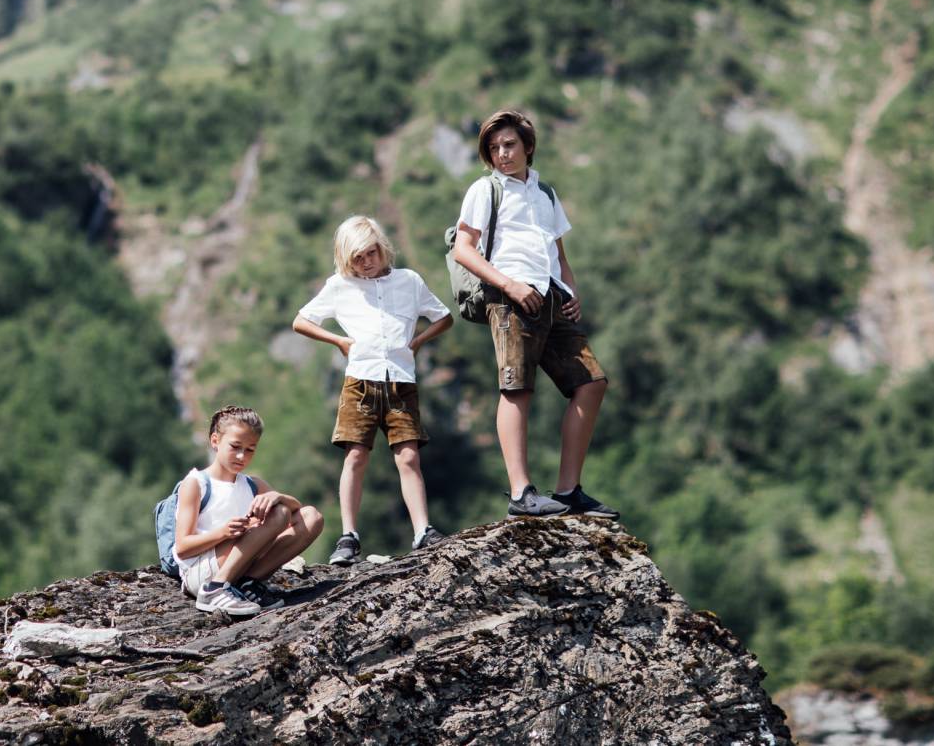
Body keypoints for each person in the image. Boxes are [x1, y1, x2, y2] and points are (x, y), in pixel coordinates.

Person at [449, 108, 619, 520]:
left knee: (592, 383)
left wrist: (571, 291)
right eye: (494, 148)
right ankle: (521, 493)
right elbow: (463, 249)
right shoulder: (484, 190)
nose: (502, 154)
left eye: (509, 145)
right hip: (509, 297)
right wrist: (509, 285)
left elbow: (559, 254)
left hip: (551, 297)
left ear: (528, 146)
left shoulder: (545, 194)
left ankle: (568, 490)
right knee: (516, 388)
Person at [292, 215, 454, 565]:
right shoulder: (340, 286)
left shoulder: (409, 281)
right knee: (355, 455)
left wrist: (418, 342)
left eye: (371, 253)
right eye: (357, 258)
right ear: (346, 259)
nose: (366, 262)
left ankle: (422, 530)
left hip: (401, 380)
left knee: (408, 456)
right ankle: (349, 535)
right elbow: (301, 321)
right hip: (360, 381)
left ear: (383, 249)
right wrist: (338, 340)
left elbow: (443, 317)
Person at [173, 406, 324, 616]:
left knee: (311, 516)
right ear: (215, 441)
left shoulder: (253, 484)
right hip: (202, 572)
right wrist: (223, 532)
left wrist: (277, 496)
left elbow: (298, 512)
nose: (241, 456)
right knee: (279, 514)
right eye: (235, 446)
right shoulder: (196, 483)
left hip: (241, 567)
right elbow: (182, 547)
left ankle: (248, 585)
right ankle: (215, 590)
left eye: (250, 449)